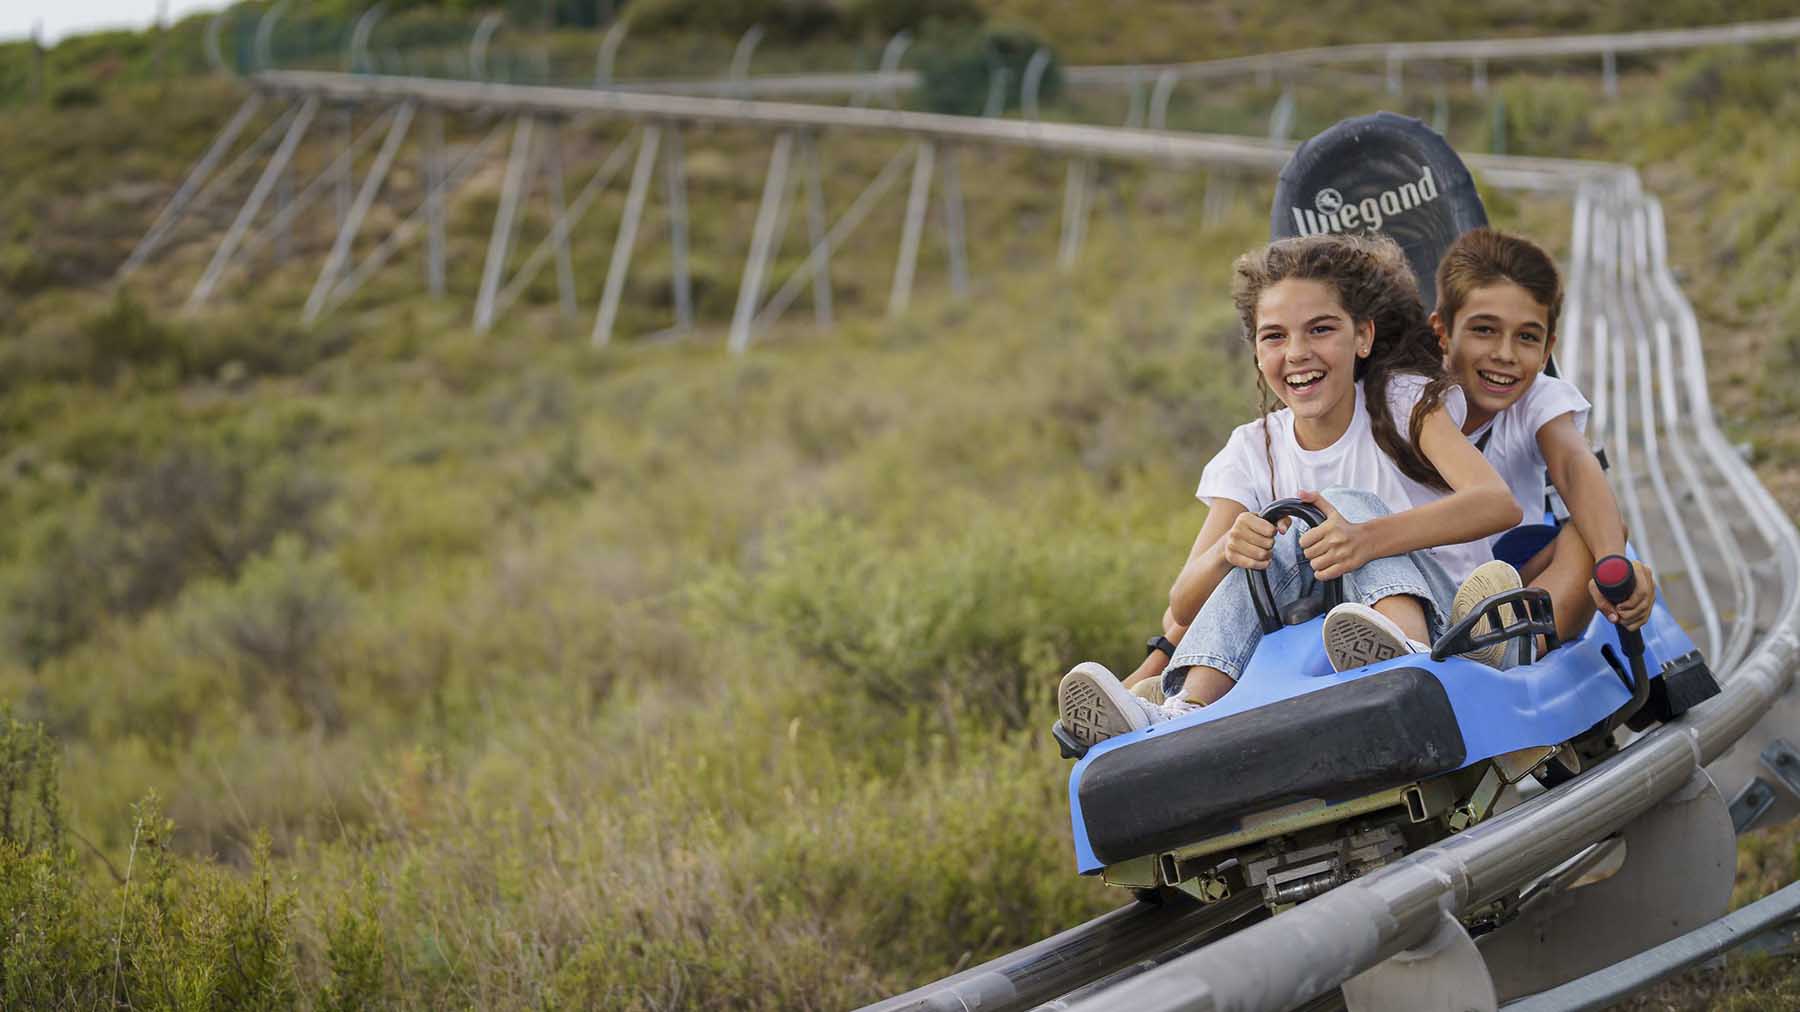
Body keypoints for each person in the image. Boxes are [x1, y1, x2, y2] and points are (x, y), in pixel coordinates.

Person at [1058, 233, 1521, 748]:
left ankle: (1407, 652)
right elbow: (1183, 602)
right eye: (1274, 336)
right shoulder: (1253, 450)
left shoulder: (1403, 401)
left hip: (1445, 615)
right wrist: (1226, 552)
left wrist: (1366, 537)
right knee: (1261, 548)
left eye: (1320, 329)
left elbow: (1497, 503)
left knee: (1341, 507)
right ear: (1256, 351)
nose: (1298, 353)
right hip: (1322, 641)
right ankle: (1183, 710)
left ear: (1362, 337)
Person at [1430, 227, 1655, 661]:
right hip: (1424, 578)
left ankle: (1513, 645)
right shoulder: (1411, 398)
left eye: (1527, 337)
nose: (1506, 354)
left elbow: (1572, 462)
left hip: (1514, 588)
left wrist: (1615, 562)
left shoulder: (1538, 400)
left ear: (1549, 345)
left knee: (1594, 534)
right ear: (1443, 331)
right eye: (1484, 330)